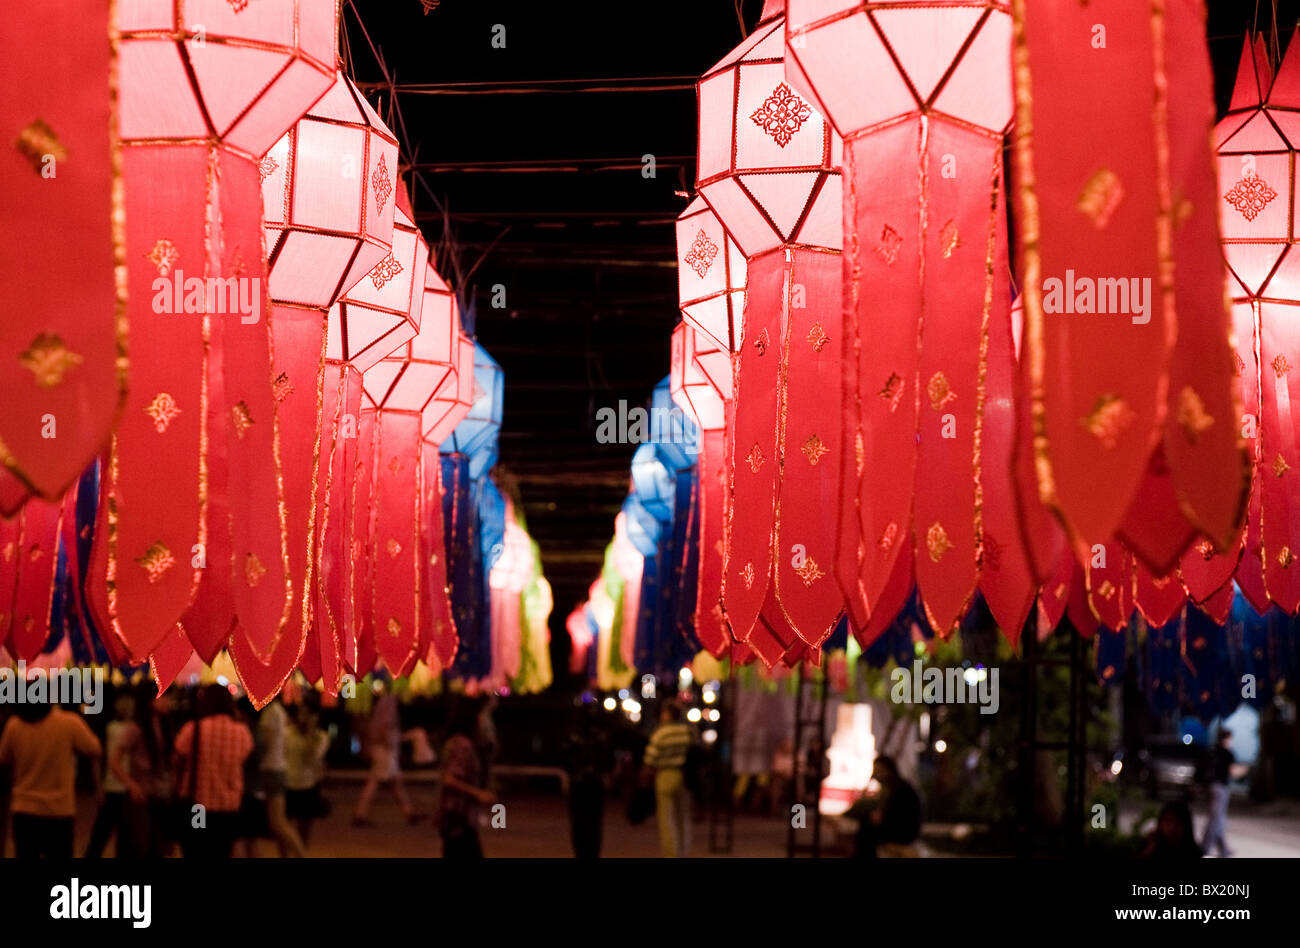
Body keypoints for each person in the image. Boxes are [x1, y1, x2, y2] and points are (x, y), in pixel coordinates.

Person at [0, 697, 102, 858]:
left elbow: (4, 758)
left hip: (23, 809)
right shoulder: (68, 722)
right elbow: (95, 748)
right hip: (59, 810)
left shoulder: (14, 725)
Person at [173, 684, 254, 858]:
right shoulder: (242, 732)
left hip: (198, 805)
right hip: (229, 807)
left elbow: (176, 759)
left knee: (196, 850)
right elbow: (245, 759)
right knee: (222, 851)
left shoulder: (193, 729)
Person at [118, 683, 175, 858]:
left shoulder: (166, 726)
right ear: (151, 701)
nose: (169, 702)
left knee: (162, 846)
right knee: (144, 846)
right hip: (143, 796)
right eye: (164, 697)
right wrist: (132, 785)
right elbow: (115, 760)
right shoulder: (136, 728)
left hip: (163, 794)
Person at [352, 685, 420, 825]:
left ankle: (409, 812)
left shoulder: (385, 704)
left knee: (394, 783)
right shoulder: (389, 704)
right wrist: (391, 743)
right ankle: (360, 813)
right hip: (384, 751)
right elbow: (385, 726)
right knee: (376, 782)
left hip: (382, 749)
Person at [437, 700, 494, 858]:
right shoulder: (462, 745)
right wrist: (478, 794)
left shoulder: (460, 742)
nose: (484, 720)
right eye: (482, 715)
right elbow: (449, 779)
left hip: (460, 819)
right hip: (458, 818)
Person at [84, 690, 136, 857]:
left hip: (113, 786)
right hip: (123, 787)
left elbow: (98, 758)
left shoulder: (109, 728)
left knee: (101, 834)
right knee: (123, 836)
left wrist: (98, 785)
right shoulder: (131, 730)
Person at [642, 699, 693, 857]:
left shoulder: (661, 733)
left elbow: (650, 758)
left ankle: (671, 853)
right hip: (684, 776)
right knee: (682, 817)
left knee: (667, 819)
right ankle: (683, 851)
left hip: (665, 775)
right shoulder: (687, 731)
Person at [257, 697, 306, 857]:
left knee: (278, 823)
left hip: (270, 770)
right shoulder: (278, 711)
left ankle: (301, 854)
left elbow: (265, 743)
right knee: (277, 823)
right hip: (277, 768)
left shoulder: (270, 712)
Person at [564, 702, 613, 858]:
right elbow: (607, 758)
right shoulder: (600, 735)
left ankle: (581, 852)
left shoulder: (574, 735)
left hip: (579, 783)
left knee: (579, 822)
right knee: (593, 823)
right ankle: (591, 853)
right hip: (594, 783)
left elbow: (565, 758)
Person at [849, 755, 921, 858]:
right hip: (901, 829)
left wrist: (880, 818)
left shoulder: (899, 788)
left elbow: (897, 815)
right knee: (867, 825)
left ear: (887, 770)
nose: (876, 774)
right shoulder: (894, 786)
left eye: (879, 770)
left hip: (904, 832)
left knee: (867, 831)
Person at [285, 701, 330, 848]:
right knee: (285, 827)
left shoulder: (321, 737)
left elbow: (313, 757)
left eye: (307, 714)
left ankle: (301, 851)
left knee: (304, 827)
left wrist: (310, 733)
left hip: (308, 784)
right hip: (289, 783)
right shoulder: (288, 733)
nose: (302, 717)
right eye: (301, 713)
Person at [1201, 728, 1247, 858]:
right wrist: (1244, 770)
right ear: (1227, 738)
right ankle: (1205, 847)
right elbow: (1233, 772)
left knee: (1219, 818)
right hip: (1221, 787)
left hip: (1212, 786)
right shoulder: (1227, 753)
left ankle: (1223, 848)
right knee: (1216, 818)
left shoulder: (1213, 750)